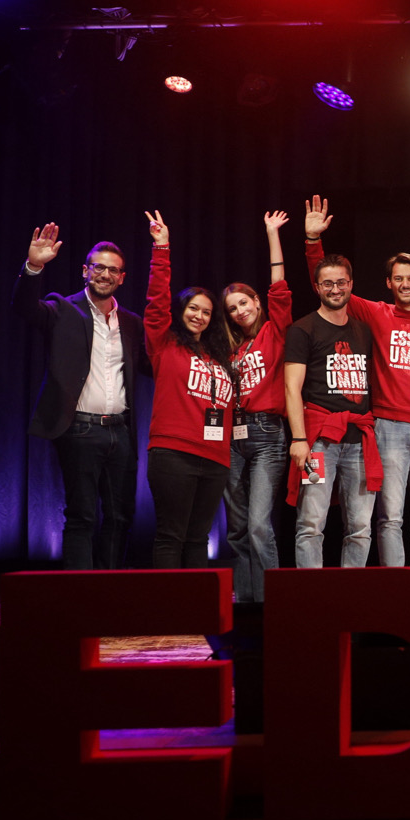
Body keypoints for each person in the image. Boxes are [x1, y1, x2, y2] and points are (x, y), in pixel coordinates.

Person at [303, 193, 410, 570]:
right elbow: (330, 289)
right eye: (397, 278)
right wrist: (313, 243)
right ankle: (396, 587)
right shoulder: (376, 314)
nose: (405, 284)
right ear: (389, 283)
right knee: (390, 517)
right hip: (388, 426)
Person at [13, 223, 146, 569]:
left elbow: (154, 363)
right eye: (98, 267)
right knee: (83, 516)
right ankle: (80, 599)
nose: (104, 274)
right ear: (85, 270)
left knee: (120, 518)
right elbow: (25, 309)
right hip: (80, 430)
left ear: (122, 277)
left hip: (122, 431)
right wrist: (34, 267)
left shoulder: (131, 323)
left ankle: (109, 594)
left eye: (112, 269)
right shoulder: (62, 309)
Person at [140, 212, 237, 568]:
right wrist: (161, 250)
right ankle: (167, 616)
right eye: (193, 308)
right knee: (172, 535)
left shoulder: (218, 355)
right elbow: (155, 304)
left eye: (207, 312)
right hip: (173, 454)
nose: (199, 316)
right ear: (181, 310)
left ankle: (195, 615)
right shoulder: (164, 344)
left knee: (199, 538)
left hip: (215, 458)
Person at [282, 249, 380, 569]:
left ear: (351, 284)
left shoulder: (363, 330)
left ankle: (348, 598)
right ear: (316, 287)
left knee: (361, 528)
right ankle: (312, 600)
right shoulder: (302, 329)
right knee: (311, 524)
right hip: (319, 439)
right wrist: (299, 439)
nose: (335, 289)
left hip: (359, 439)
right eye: (327, 284)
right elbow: (291, 388)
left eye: (341, 282)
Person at [218, 210, 294, 602]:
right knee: (236, 528)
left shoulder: (274, 331)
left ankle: (272, 602)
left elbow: (280, 287)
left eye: (243, 302)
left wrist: (271, 234)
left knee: (259, 525)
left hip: (267, 435)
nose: (239, 310)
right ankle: (246, 600)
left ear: (257, 302)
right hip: (232, 436)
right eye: (232, 308)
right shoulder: (232, 348)